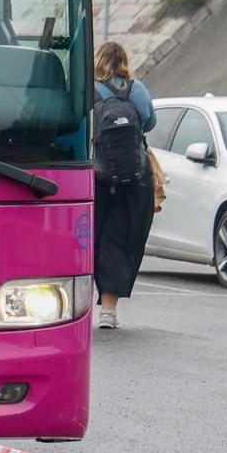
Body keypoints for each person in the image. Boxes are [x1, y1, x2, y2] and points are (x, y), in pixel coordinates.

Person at [92, 41, 157, 330]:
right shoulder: (136, 88)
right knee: (120, 238)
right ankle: (108, 311)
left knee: (88, 236)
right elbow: (150, 121)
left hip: (95, 173)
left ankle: (72, 306)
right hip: (133, 176)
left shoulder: (89, 89)